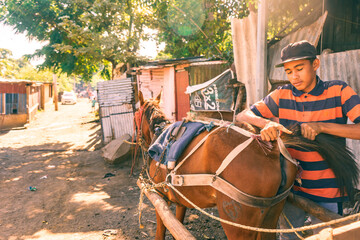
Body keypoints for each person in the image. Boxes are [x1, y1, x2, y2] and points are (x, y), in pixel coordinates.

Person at [236, 40, 360, 239]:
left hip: (328, 190)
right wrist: (266, 124)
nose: (294, 76)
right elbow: (243, 115)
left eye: (299, 69)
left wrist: (322, 127)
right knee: (288, 237)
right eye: (288, 71)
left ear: (315, 65)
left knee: (328, 237)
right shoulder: (281, 94)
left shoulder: (339, 91)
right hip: (290, 187)